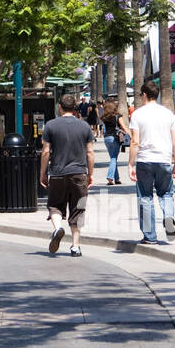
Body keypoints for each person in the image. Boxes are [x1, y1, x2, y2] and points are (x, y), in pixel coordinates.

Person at [40, 93, 94, 256]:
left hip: (57, 173)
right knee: (78, 209)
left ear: (60, 107)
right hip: (79, 173)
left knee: (55, 205)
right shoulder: (84, 126)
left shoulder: (50, 125)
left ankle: (58, 228)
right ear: (75, 108)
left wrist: (43, 173)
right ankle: (75, 246)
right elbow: (90, 152)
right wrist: (90, 173)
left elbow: (46, 152)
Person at [129, 81, 175, 244]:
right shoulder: (168, 114)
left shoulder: (137, 114)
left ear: (144, 94)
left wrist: (131, 164)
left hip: (145, 160)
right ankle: (168, 216)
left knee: (145, 197)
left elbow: (135, 142)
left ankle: (150, 236)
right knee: (166, 193)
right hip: (164, 159)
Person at [101, 99, 126, 185]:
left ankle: (117, 178)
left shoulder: (105, 117)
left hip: (106, 139)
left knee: (113, 157)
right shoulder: (118, 116)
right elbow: (123, 126)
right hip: (115, 138)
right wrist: (131, 134)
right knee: (114, 158)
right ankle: (110, 177)